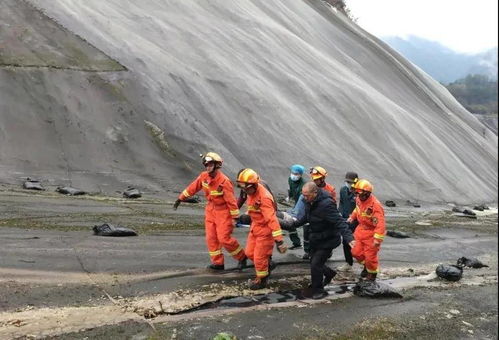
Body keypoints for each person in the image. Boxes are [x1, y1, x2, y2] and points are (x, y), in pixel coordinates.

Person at [173, 152, 246, 271]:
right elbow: (193, 187)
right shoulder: (203, 177)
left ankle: (242, 257)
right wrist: (181, 198)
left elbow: (231, 202)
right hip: (211, 210)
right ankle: (218, 263)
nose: (208, 167)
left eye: (210, 164)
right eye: (206, 164)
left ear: (217, 165)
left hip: (223, 212)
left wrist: (235, 218)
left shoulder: (224, 181)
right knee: (211, 238)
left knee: (224, 239)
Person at [294, 182, 354, 299]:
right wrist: (293, 223)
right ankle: (330, 273)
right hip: (316, 238)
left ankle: (318, 290)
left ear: (315, 193)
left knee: (316, 264)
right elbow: (307, 217)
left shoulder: (326, 205)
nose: (304, 198)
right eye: (303, 195)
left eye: (306, 195)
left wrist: (349, 238)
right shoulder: (308, 201)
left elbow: (339, 221)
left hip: (328, 239)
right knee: (314, 262)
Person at [236, 168, 287, 289]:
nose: (244, 191)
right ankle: (267, 265)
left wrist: (279, 241)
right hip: (255, 227)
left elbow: (272, 220)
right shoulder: (250, 191)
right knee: (249, 253)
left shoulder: (264, 198)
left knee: (259, 258)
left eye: (245, 188)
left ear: (253, 185)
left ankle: (261, 280)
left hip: (265, 231)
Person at [347, 179, 386, 281]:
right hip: (360, 230)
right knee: (355, 252)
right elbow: (358, 209)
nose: (358, 196)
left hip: (371, 234)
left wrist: (377, 239)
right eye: (357, 194)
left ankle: (372, 275)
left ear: (367, 193)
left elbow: (380, 224)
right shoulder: (359, 199)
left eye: (360, 194)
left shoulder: (375, 205)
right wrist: (352, 217)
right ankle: (367, 266)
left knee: (370, 257)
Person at [301, 166, 338, 260]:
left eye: (317, 179)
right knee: (307, 231)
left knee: (325, 233)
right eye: (314, 179)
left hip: (324, 215)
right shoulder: (310, 188)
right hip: (311, 213)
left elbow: (332, 205)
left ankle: (327, 250)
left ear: (322, 178)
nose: (315, 181)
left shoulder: (330, 189)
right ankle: (308, 251)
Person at [337, 171, 359, 272]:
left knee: (360, 244)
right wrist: (340, 213)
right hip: (346, 221)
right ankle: (348, 263)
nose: (348, 184)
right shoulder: (343, 190)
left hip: (358, 222)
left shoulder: (360, 193)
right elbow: (341, 203)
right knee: (346, 242)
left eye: (350, 182)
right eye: (347, 182)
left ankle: (366, 265)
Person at [286, 164, 306, 249]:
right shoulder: (290, 180)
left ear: (301, 175)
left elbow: (303, 199)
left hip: (303, 205)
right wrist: (289, 197)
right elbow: (290, 189)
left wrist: (296, 212)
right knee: (290, 222)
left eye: (296, 174)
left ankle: (308, 248)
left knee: (305, 226)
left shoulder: (304, 184)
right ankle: (296, 243)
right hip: (295, 203)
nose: (294, 175)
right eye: (293, 173)